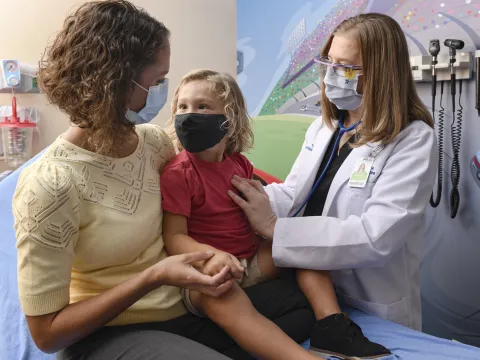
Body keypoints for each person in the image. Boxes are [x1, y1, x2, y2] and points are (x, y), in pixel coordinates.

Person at [11, 2, 314, 359]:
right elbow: (46, 334)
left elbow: (206, 177)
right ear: (116, 83)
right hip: (111, 330)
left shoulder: (153, 142)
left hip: (183, 304)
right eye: (157, 82)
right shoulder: (50, 184)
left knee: (299, 306)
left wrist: (260, 205)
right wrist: (153, 277)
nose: (164, 94)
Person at [228, 12, 437, 339]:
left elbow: (375, 236)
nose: (330, 77)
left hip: (367, 299)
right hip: (308, 287)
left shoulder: (413, 139)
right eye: (329, 63)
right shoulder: (324, 127)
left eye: (346, 68)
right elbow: (297, 194)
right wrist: (253, 197)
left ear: (382, 74)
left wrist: (274, 228)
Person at [161, 68, 390, 359]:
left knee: (304, 247)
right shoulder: (179, 174)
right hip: (205, 270)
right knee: (223, 297)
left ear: (229, 119)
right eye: (183, 106)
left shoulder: (239, 165)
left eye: (202, 106)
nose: (189, 114)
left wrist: (269, 228)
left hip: (249, 261)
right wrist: (211, 256)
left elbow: (254, 214)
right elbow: (174, 237)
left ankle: (333, 327)